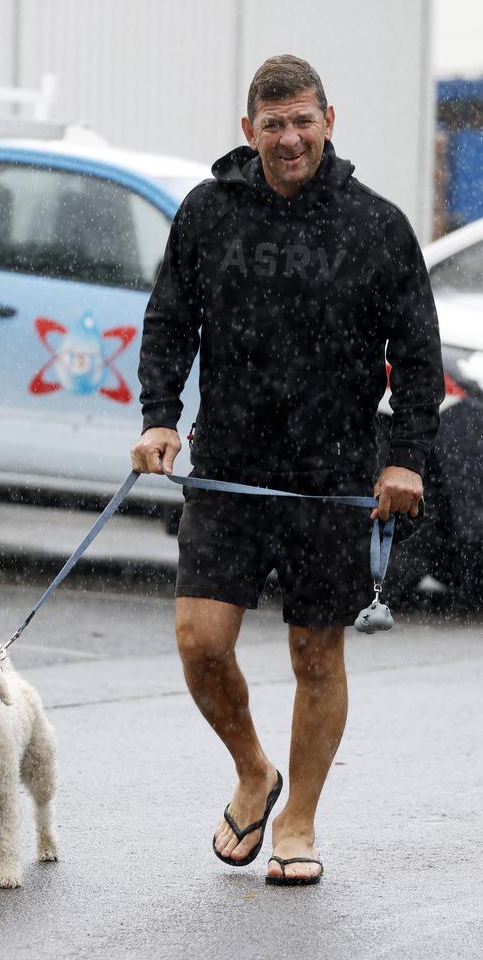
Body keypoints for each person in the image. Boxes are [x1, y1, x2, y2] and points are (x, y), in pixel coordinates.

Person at [131, 55, 444, 886]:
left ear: (328, 121)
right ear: (249, 131)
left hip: (334, 473)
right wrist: (160, 415)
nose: (289, 137)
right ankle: (252, 771)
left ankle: (298, 820)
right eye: (273, 123)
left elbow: (417, 356)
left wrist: (407, 457)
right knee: (200, 644)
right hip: (230, 467)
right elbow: (168, 322)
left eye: (303, 120)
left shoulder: (376, 226)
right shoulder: (208, 213)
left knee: (315, 654)